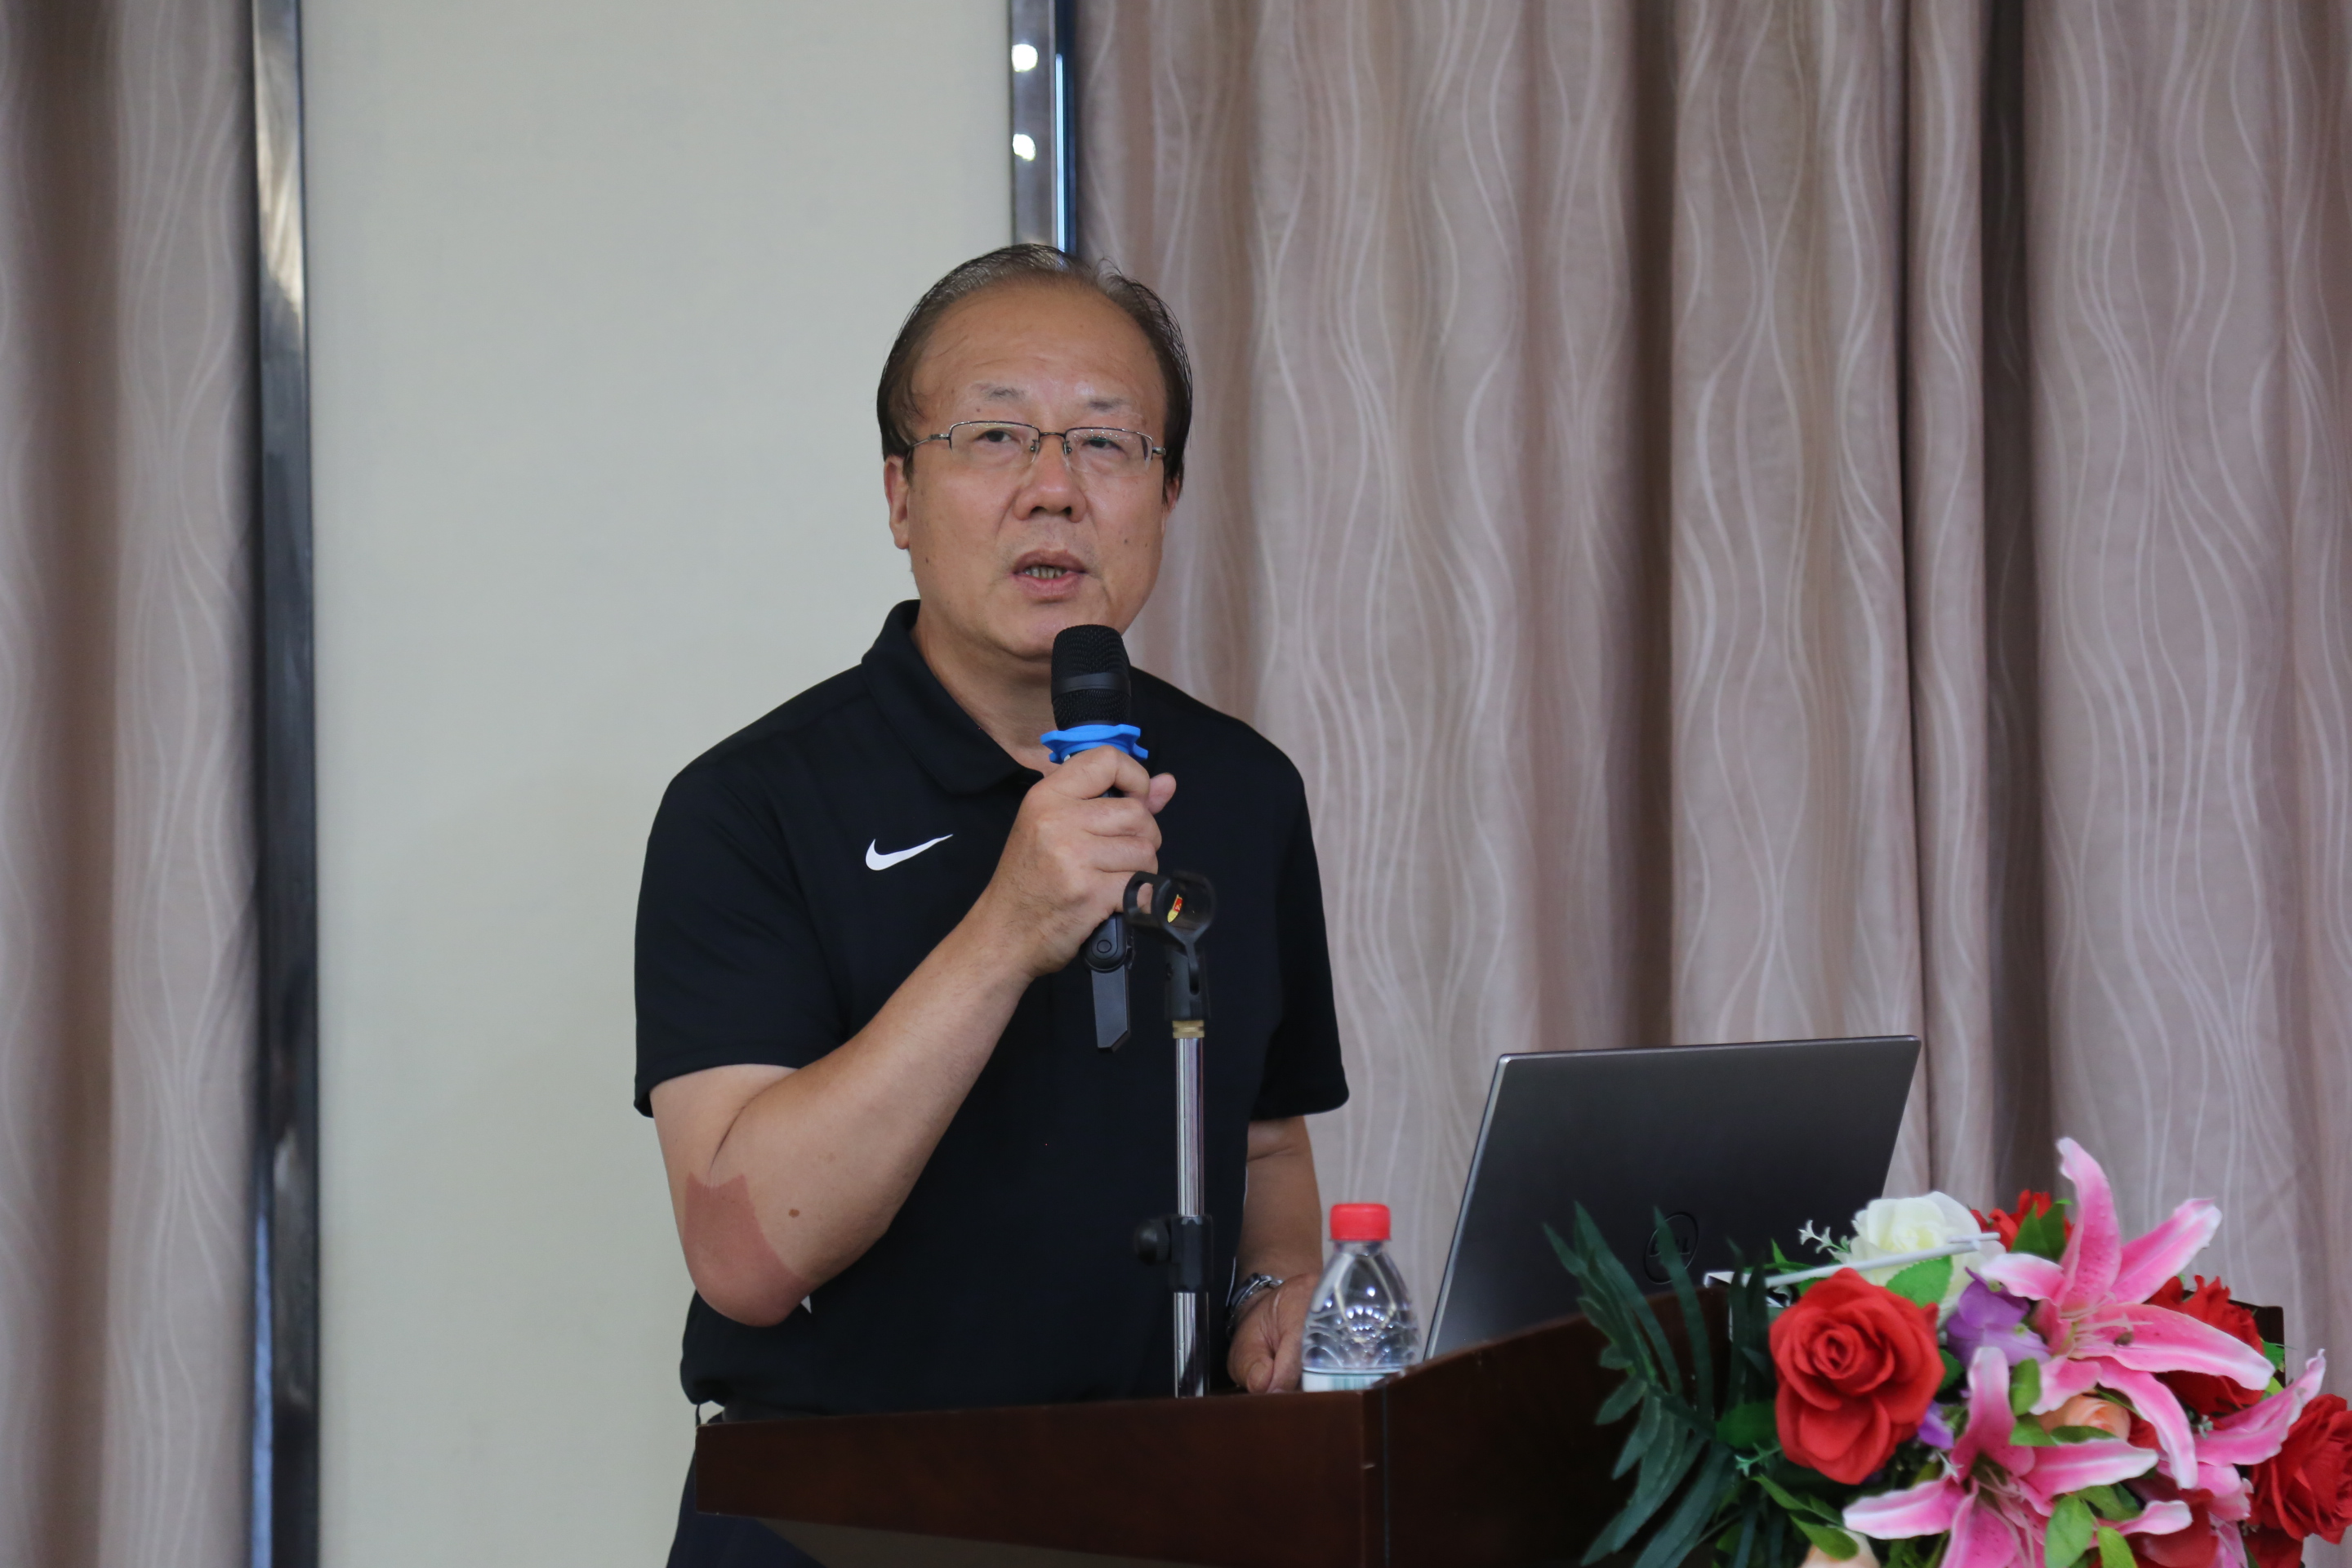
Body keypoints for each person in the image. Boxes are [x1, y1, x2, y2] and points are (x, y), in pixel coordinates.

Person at [635, 246, 1349, 1566]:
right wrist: (1008, 929)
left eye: (1108, 443)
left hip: (1163, 1508)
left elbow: (1261, 1146)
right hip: (839, 1515)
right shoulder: (748, 807)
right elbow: (745, 1257)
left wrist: (1275, 1295)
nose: (1054, 488)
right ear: (900, 495)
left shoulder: (1243, 789)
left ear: (1167, 495)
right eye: (997, 434)